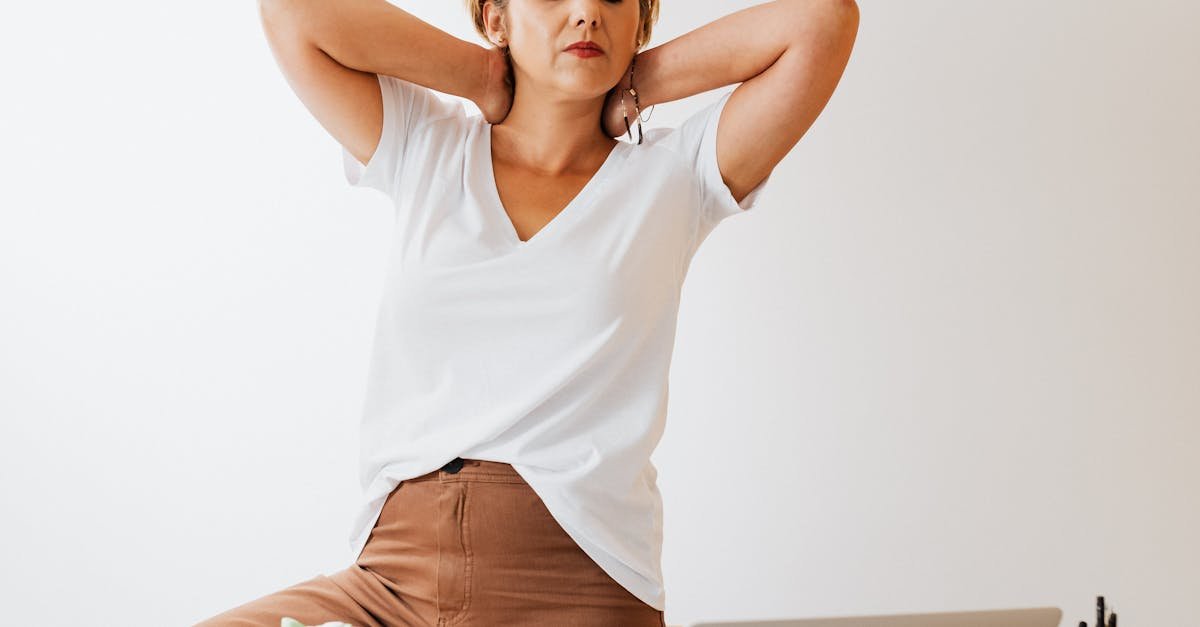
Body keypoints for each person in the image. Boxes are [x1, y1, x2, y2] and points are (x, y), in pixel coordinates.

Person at [197, 0, 858, 625]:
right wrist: (481, 74)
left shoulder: (675, 176)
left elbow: (822, 22)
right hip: (391, 583)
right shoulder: (426, 146)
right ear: (495, 15)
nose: (587, 10)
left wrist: (634, 85)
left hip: (574, 585)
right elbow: (293, 13)